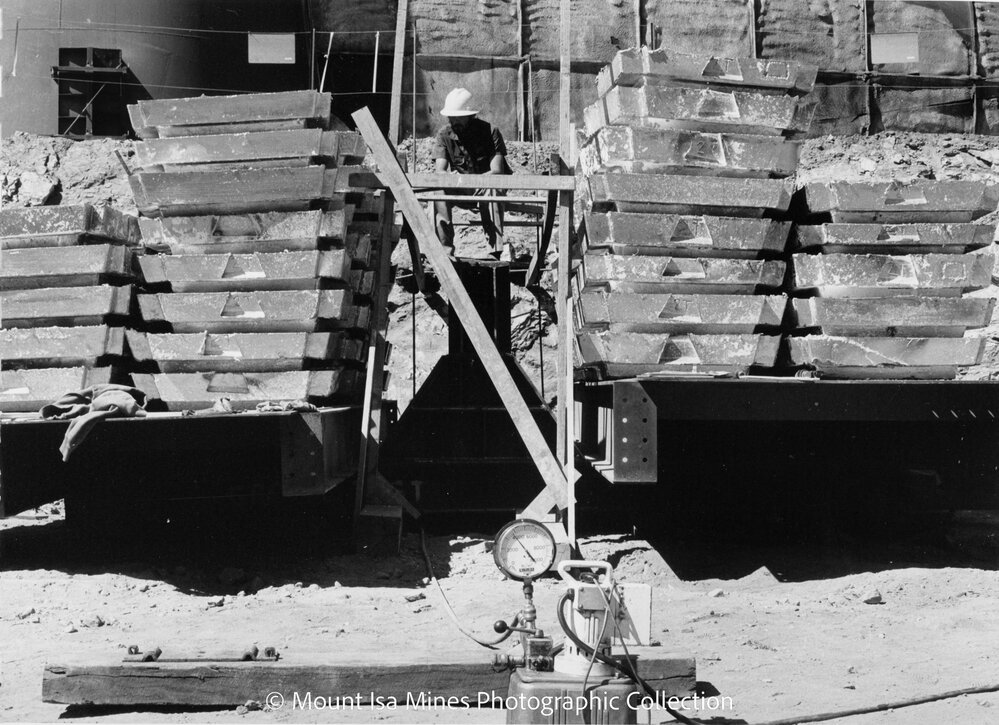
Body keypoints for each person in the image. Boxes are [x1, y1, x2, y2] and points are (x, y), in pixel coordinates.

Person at [430, 87, 513, 260]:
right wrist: (449, 178)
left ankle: (495, 251)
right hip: (461, 189)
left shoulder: (490, 132)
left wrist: (479, 182)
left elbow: (497, 171)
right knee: (439, 190)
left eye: (458, 117)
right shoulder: (444, 135)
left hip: (486, 187)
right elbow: (440, 171)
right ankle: (444, 253)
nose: (454, 120)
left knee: (493, 189)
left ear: (470, 115)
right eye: (451, 117)